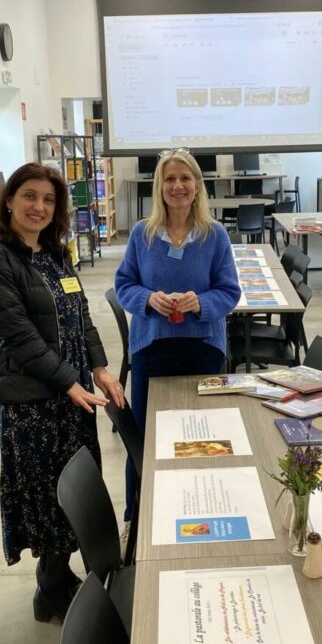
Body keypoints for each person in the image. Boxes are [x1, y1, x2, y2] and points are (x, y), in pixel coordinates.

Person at [0, 162, 123, 623]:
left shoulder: (57, 253)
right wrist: (69, 382)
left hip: (71, 391)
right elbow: (18, 336)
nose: (39, 207)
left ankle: (58, 579)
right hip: (31, 401)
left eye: (49, 199)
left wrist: (99, 367)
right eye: (29, 196)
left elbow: (81, 315)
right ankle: (50, 590)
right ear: (9, 201)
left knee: (72, 490)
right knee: (45, 493)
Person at [115, 148, 240, 526]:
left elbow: (229, 292)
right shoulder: (143, 234)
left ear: (198, 185)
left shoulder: (215, 235)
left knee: (202, 439)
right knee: (145, 439)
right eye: (169, 178)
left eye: (185, 178)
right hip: (152, 349)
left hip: (203, 349)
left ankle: (198, 509)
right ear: (159, 186)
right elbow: (124, 285)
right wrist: (147, 299)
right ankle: (137, 519)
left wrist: (201, 303)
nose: (177, 186)